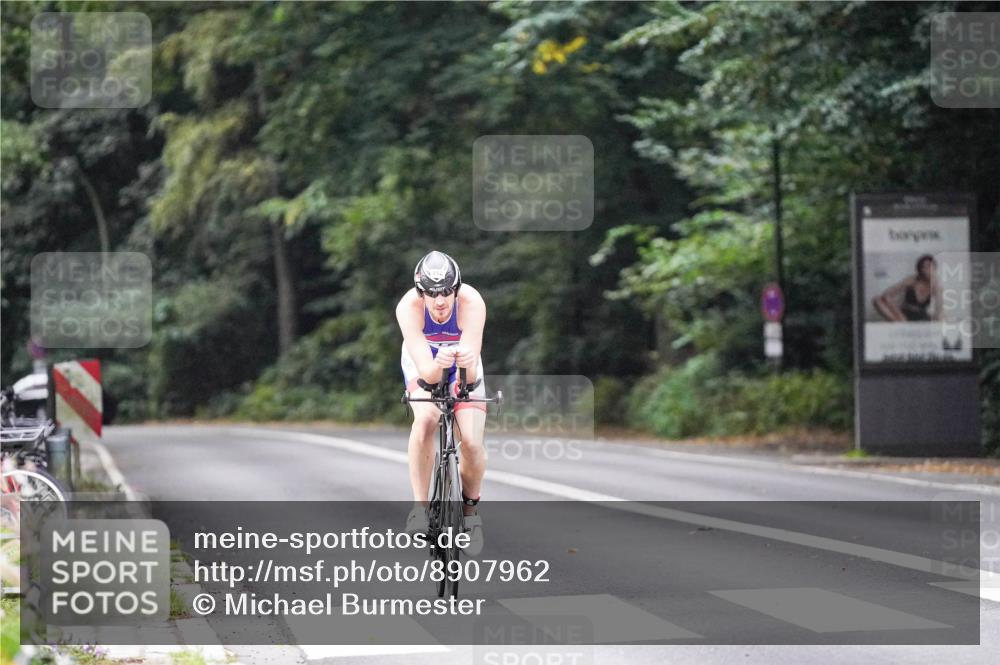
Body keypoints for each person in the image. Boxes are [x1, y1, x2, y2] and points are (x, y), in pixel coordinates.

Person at [396, 251, 487, 556]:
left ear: (457, 289)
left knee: (472, 442)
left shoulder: (472, 303)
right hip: (423, 363)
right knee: (425, 419)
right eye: (432, 294)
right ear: (420, 292)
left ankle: (471, 515)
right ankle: (420, 509)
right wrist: (439, 365)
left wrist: (464, 369)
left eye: (447, 291)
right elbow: (427, 372)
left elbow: (469, 376)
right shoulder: (408, 307)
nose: (440, 301)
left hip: (464, 365)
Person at [873, 254, 942, 322]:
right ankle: (901, 322)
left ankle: (900, 323)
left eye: (930, 266)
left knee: (939, 318)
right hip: (903, 314)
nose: (927, 269)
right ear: (920, 269)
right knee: (877, 300)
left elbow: (939, 307)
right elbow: (886, 294)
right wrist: (894, 308)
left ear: (934, 268)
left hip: (921, 316)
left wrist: (935, 284)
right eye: (924, 267)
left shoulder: (936, 284)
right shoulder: (912, 280)